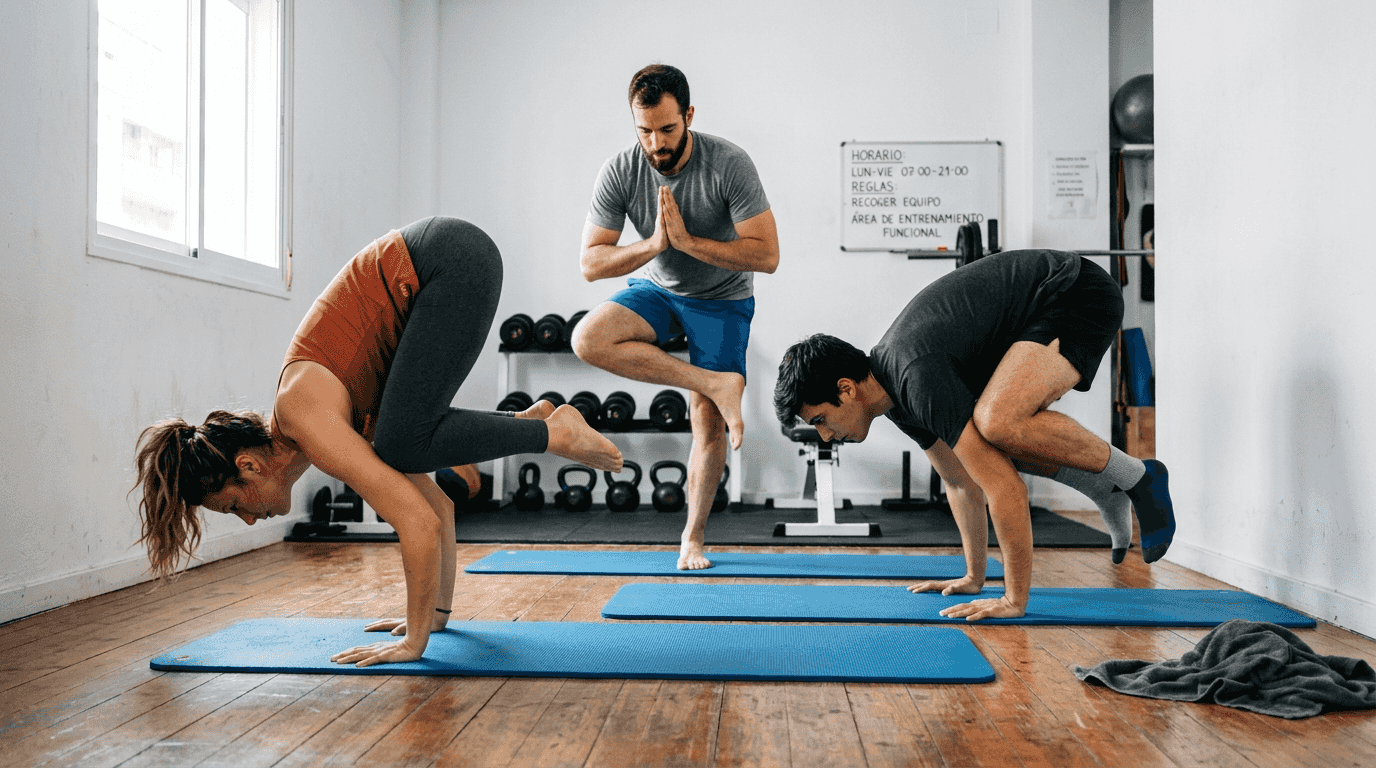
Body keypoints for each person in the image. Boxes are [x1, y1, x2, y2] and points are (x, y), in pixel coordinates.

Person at [133, 217, 621, 667]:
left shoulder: (307, 417)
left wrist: (414, 646)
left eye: (232, 504)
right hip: (452, 261)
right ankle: (530, 421)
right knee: (401, 443)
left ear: (249, 466)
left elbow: (417, 525)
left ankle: (549, 431)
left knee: (404, 442)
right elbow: (437, 510)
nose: (246, 517)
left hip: (446, 263)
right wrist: (434, 616)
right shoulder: (335, 414)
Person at [772, 249, 1176, 621]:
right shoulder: (894, 397)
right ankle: (1104, 487)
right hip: (1043, 306)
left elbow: (1006, 489)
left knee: (998, 423)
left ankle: (1138, 476)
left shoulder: (914, 377)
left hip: (1075, 292)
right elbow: (960, 481)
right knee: (984, 445)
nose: (825, 437)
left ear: (846, 390)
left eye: (821, 420)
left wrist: (1013, 600)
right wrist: (973, 577)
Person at [571, 64, 779, 570]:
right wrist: (656, 246)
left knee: (705, 422)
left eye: (667, 129)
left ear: (688, 115)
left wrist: (689, 244)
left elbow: (767, 255)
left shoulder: (729, 164)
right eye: (644, 130)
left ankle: (692, 538)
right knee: (588, 338)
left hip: (722, 298)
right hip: (659, 289)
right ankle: (715, 381)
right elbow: (590, 264)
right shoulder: (621, 169)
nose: (656, 143)